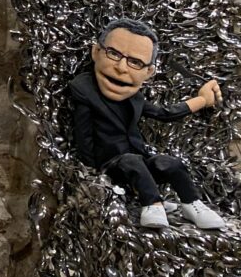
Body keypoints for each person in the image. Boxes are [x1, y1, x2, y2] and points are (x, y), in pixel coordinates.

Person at [69, 18, 226, 230]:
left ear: (149, 72)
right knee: (131, 161)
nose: (121, 68)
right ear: (96, 52)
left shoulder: (136, 98)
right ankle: (152, 204)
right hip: (109, 166)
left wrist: (202, 100)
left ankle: (192, 204)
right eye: (114, 53)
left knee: (170, 163)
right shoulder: (85, 90)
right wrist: (90, 175)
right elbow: (83, 137)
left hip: (139, 163)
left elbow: (164, 113)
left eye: (136, 62)